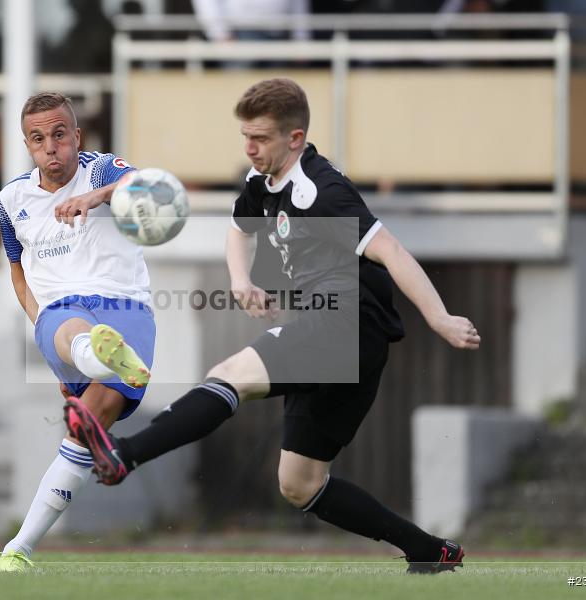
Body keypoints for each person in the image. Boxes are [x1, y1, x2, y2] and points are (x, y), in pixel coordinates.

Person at [65, 78, 482, 574]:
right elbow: (239, 231)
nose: (249, 148)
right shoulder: (260, 181)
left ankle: (124, 453)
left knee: (230, 374)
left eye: (259, 139)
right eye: (245, 136)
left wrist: (439, 317)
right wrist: (241, 280)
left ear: (295, 138)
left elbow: (389, 250)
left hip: (345, 325)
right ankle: (427, 550)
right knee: (300, 483)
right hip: (343, 336)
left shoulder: (322, 191)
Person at [0, 92, 155, 573]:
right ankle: (90, 355)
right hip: (61, 312)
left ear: (76, 137)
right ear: (27, 145)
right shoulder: (11, 199)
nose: (51, 148)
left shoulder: (101, 168)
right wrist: (42, 330)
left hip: (127, 308)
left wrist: (97, 196)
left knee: (81, 439)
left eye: (60, 135)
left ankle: (17, 550)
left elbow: (140, 182)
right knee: (71, 327)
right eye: (39, 139)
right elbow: (18, 271)